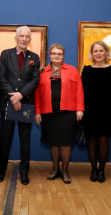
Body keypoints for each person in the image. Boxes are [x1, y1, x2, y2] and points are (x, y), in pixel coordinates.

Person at [0, 26, 40, 185]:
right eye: (21, 36)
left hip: (26, 103)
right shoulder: (5, 54)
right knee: (4, 139)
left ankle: (24, 173)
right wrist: (13, 97)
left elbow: (35, 80)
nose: (24, 39)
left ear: (29, 39)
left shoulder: (34, 57)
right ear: (16, 38)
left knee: (25, 140)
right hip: (7, 103)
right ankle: (1, 171)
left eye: (27, 36)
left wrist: (20, 95)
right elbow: (1, 77)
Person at [34, 44, 84, 184]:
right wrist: (37, 112)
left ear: (63, 55)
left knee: (66, 143)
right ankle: (55, 169)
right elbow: (37, 94)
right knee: (54, 143)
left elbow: (79, 91)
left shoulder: (72, 70)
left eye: (60, 53)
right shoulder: (42, 71)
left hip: (68, 112)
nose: (57, 56)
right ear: (49, 55)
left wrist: (80, 109)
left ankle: (65, 171)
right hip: (49, 112)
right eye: (54, 53)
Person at [81, 41, 111, 183]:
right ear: (92, 54)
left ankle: (102, 169)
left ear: (106, 52)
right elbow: (81, 92)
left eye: (101, 50)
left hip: (108, 109)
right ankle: (93, 169)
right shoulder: (86, 70)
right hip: (90, 110)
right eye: (95, 51)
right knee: (91, 140)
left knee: (104, 140)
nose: (98, 53)